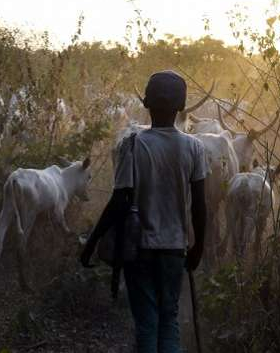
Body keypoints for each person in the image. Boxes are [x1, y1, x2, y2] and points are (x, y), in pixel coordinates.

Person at [80, 70, 209, 353]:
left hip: (139, 250)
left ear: (147, 104)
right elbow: (200, 204)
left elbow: (120, 200)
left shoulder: (133, 144)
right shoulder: (194, 148)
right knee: (169, 318)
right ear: (181, 107)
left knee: (147, 323)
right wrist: (198, 245)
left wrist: (92, 242)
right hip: (175, 248)